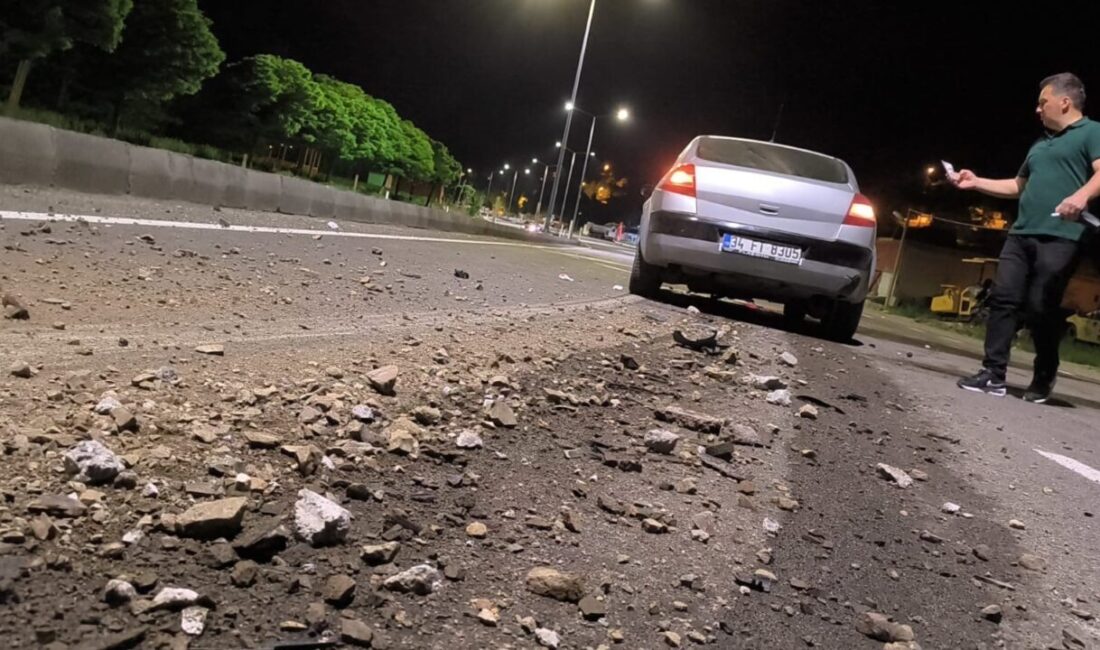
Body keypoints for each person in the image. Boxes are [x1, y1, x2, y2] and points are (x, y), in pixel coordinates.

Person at [949, 73, 1100, 403]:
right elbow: (1018, 186)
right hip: (1021, 233)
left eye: (1043, 101)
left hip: (1062, 234)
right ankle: (994, 374)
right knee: (1003, 298)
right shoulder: (1040, 144)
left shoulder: (1092, 132)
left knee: (1040, 306)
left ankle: (1045, 372)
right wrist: (976, 182)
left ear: (1065, 101)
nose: (1038, 109)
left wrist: (1081, 196)